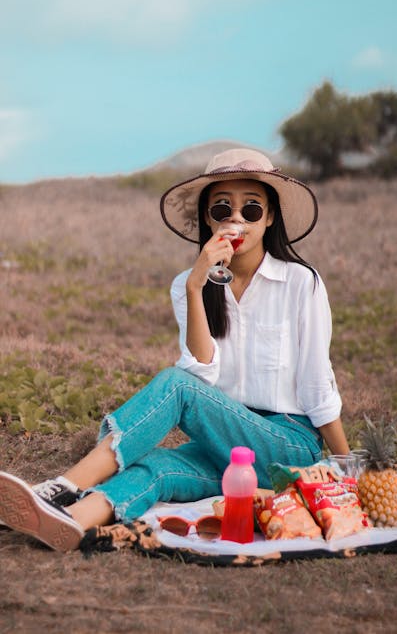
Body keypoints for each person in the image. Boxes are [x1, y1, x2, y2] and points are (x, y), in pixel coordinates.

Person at [0, 148, 349, 551]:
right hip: (226, 449)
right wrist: (196, 286)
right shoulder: (189, 284)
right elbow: (203, 376)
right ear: (207, 218)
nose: (236, 219)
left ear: (270, 217)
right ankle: (69, 521)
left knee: (175, 385)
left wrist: (345, 468)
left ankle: (63, 486)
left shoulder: (301, 283)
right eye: (223, 209)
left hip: (287, 448)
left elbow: (315, 382)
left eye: (251, 210)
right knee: (158, 467)